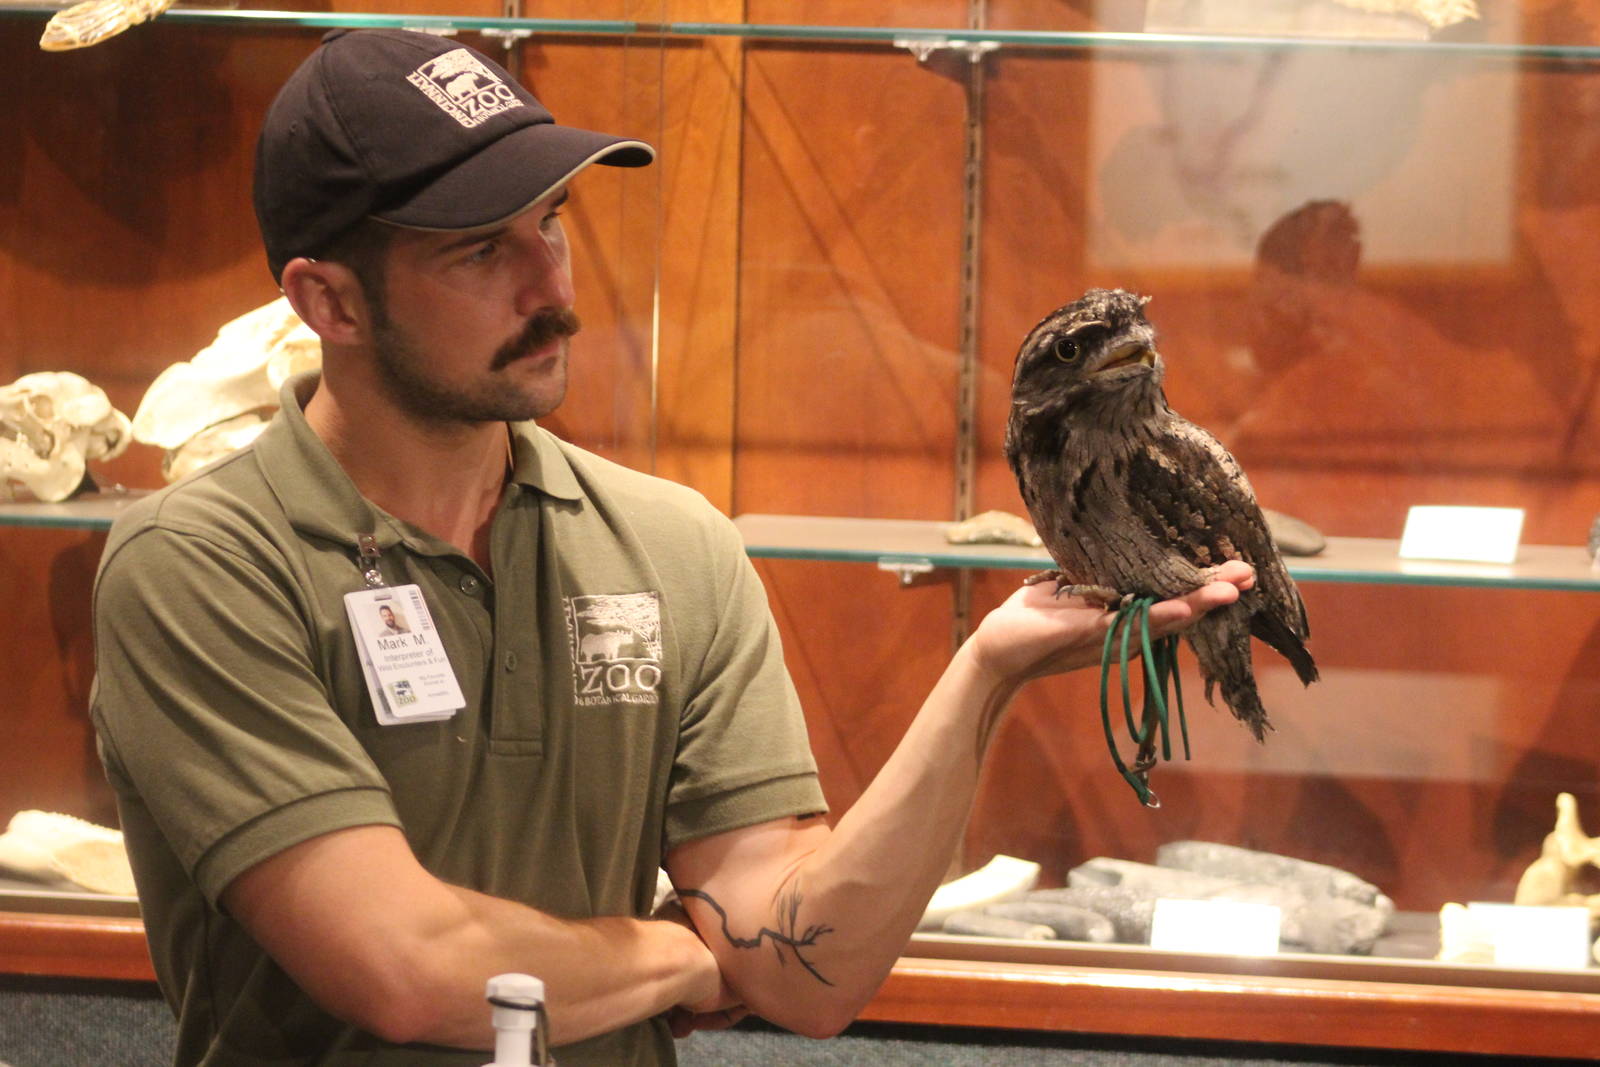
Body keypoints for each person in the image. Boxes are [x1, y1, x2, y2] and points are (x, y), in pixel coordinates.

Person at [89, 28, 1253, 1067]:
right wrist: (689, 959)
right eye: (480, 252)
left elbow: (801, 967)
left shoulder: (668, 542)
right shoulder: (199, 564)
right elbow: (412, 967)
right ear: (327, 302)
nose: (553, 285)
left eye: (549, 222)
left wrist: (982, 676)